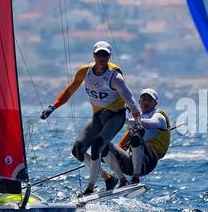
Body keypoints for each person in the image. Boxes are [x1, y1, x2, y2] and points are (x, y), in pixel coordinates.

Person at [40, 40, 140, 196]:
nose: (101, 57)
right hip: (98, 117)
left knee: (97, 147)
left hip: (115, 116)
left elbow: (130, 100)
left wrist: (137, 120)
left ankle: (93, 188)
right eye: (99, 54)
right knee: (77, 151)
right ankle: (108, 179)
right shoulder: (84, 72)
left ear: (109, 56)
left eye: (105, 54)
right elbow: (68, 92)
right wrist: (52, 108)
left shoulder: (115, 76)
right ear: (93, 55)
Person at [103, 88, 171, 186]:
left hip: (147, 163)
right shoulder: (134, 119)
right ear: (139, 101)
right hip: (130, 164)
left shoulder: (159, 116)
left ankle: (135, 178)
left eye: (150, 100)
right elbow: (121, 145)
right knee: (103, 144)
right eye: (144, 99)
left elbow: (150, 124)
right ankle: (119, 180)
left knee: (136, 137)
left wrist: (125, 120)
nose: (146, 102)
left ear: (155, 103)